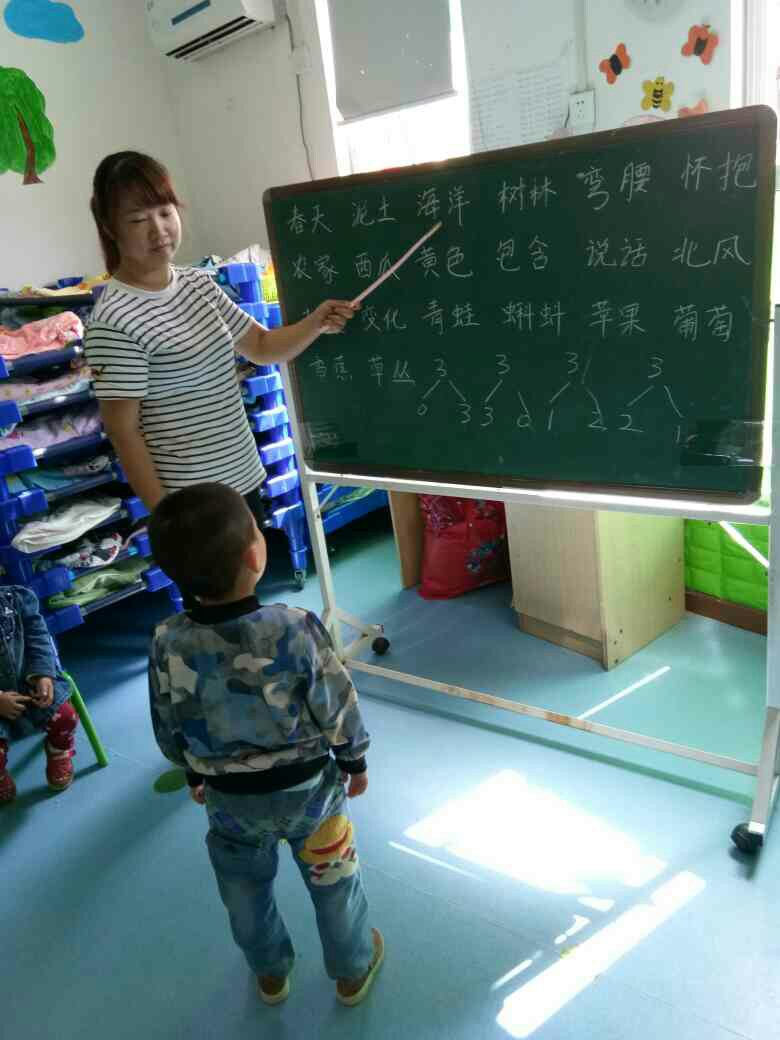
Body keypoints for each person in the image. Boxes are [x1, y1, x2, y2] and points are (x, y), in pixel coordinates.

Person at [147, 482, 384, 1007]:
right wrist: (355, 758)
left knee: (245, 894)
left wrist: (193, 771)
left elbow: (169, 720)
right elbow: (336, 703)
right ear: (256, 555)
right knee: (334, 881)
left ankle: (271, 974)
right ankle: (352, 969)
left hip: (230, 803)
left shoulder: (167, 640)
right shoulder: (294, 627)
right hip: (311, 795)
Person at [84, 151, 357, 525]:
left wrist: (317, 322)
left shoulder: (198, 284)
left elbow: (260, 346)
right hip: (191, 503)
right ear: (110, 227)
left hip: (242, 479)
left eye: (164, 212)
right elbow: (123, 432)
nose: (158, 229)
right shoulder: (114, 320)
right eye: (138, 219)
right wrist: (167, 516)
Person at [0, 586, 79, 804]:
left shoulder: (17, 598)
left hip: (30, 685)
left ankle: (58, 751)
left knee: (65, 717)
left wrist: (43, 674)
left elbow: (39, 638)